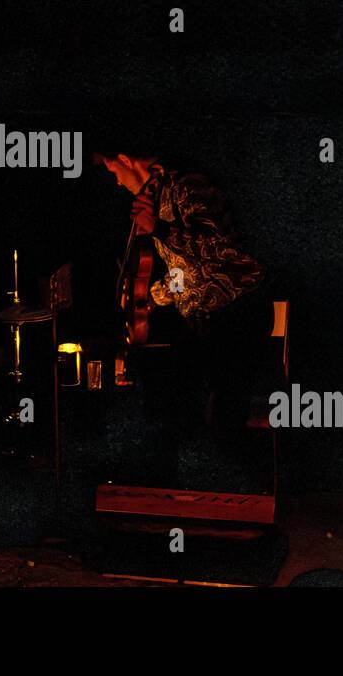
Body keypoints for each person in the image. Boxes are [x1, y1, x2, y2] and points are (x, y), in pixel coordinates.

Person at [95, 147, 268, 489]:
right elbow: (186, 272)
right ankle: (182, 490)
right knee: (172, 396)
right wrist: (150, 298)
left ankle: (242, 495)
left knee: (221, 410)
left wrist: (157, 227)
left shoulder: (188, 187)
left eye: (114, 171)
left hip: (235, 309)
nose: (116, 182)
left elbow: (220, 247)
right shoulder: (158, 197)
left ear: (126, 160)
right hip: (203, 316)